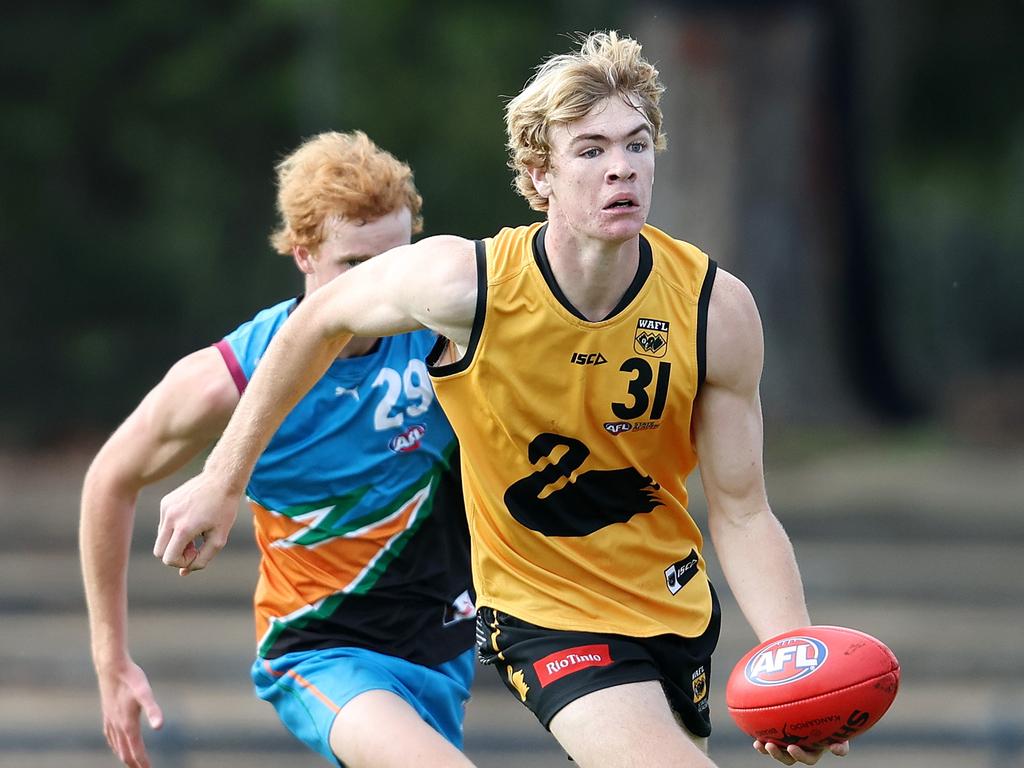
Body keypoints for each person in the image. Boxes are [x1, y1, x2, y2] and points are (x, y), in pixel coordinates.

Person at [155, 33, 850, 768]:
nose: (621, 167)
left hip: (673, 609)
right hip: (545, 617)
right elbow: (315, 324)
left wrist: (793, 661)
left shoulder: (716, 309)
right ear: (538, 173)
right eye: (590, 150)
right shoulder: (467, 285)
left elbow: (741, 509)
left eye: (637, 145)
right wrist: (222, 478)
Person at [80, 131, 477, 768]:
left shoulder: (444, 332)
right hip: (323, 647)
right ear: (303, 254)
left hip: (444, 641)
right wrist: (110, 661)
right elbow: (109, 480)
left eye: (394, 262)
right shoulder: (226, 381)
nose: (380, 288)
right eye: (355, 265)